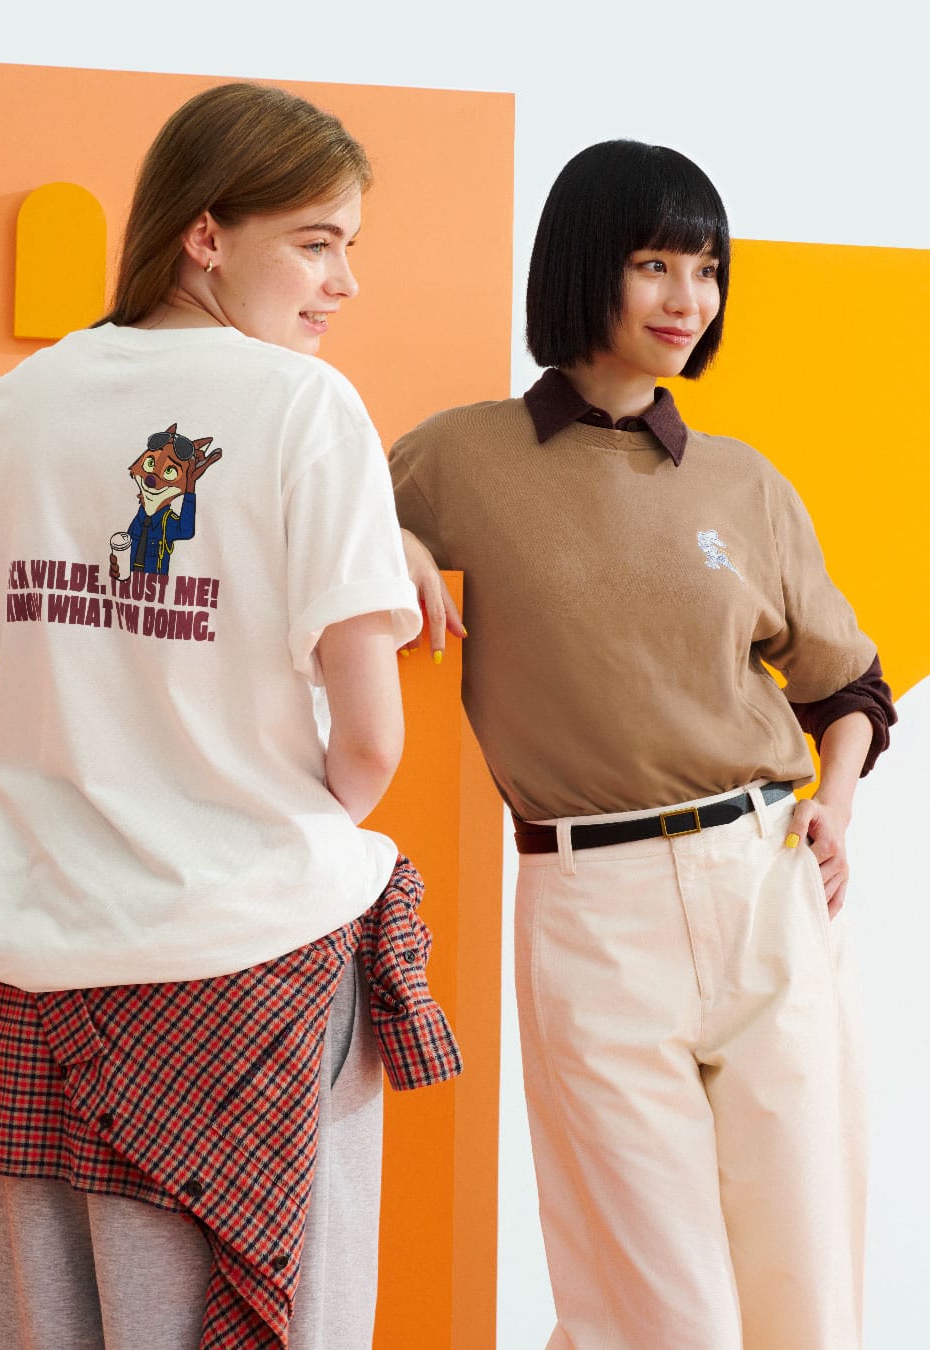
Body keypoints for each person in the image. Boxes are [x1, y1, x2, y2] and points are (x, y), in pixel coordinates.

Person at [0, 81, 461, 1350]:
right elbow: (370, 746)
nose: (344, 282)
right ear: (207, 235)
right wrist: (253, 815)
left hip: (47, 972)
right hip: (254, 969)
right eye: (317, 241)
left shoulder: (26, 405)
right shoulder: (308, 411)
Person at [390, 139, 894, 1350]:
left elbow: (849, 685)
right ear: (583, 269)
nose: (688, 300)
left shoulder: (744, 484)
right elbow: (312, 541)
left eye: (708, 269)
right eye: (655, 263)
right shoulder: (455, 459)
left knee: (804, 1285)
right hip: (590, 899)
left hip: (766, 881)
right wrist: (393, 548)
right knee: (651, 1307)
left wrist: (836, 802)